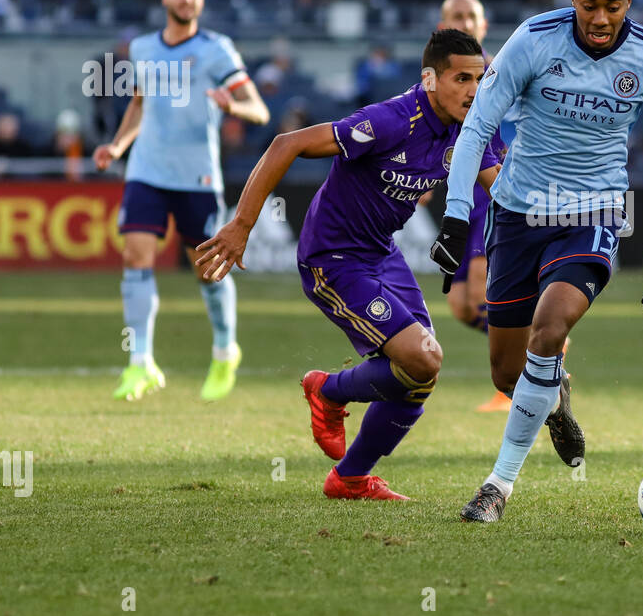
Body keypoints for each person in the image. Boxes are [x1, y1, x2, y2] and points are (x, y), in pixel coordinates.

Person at [430, 0, 643, 523]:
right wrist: (453, 215)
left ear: (629, 0)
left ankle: (496, 488)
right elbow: (476, 128)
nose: (601, 18)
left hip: (591, 214)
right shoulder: (533, 40)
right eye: (590, 3)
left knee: (549, 331)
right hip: (518, 214)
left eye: (614, 5)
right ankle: (554, 399)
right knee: (506, 370)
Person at [193, 29, 501, 501]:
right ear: (430, 79)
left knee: (421, 374)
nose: (474, 90)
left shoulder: (472, 124)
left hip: (381, 252)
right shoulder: (391, 120)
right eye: (462, 78)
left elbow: (501, 187)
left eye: (480, 78)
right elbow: (285, 144)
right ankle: (329, 390)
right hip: (332, 258)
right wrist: (241, 226)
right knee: (422, 357)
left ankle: (350, 477)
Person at [92, 0, 269, 402]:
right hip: (147, 170)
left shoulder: (217, 50)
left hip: (197, 176)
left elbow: (260, 110)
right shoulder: (142, 47)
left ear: (201, 0)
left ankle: (226, 350)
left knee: (208, 272)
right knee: (135, 255)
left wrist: (234, 108)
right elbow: (138, 105)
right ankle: (140, 363)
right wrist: (117, 147)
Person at [435, 0, 517, 412]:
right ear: (442, 25)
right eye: (457, 16)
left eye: (472, 16)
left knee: (487, 294)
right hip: (461, 197)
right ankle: (539, 342)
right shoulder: (440, 72)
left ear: (483, 27)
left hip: (490, 192)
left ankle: (520, 378)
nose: (466, 22)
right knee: (461, 306)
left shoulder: (497, 69)